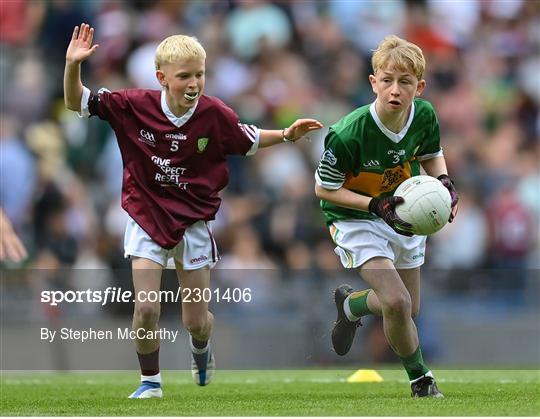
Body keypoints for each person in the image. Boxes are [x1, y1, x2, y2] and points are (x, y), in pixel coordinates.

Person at [64, 23, 322, 399]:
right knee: (147, 308)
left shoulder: (214, 114)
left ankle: (201, 348)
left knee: (195, 322)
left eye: (199, 75)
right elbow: (76, 101)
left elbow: (249, 139)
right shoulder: (133, 105)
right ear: (161, 77)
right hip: (146, 217)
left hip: (193, 223)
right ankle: (150, 381)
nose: (193, 83)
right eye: (184, 76)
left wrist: (285, 135)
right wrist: (73, 65)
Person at [314, 35, 458, 398]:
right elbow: (323, 189)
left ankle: (351, 306)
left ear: (419, 87)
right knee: (396, 302)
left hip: (401, 211)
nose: (395, 90)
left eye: (405, 82)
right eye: (388, 80)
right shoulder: (348, 134)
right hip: (354, 216)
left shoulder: (424, 115)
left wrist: (443, 181)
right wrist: (373, 206)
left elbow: (432, 153)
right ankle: (420, 379)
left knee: (409, 307)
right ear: (373, 82)